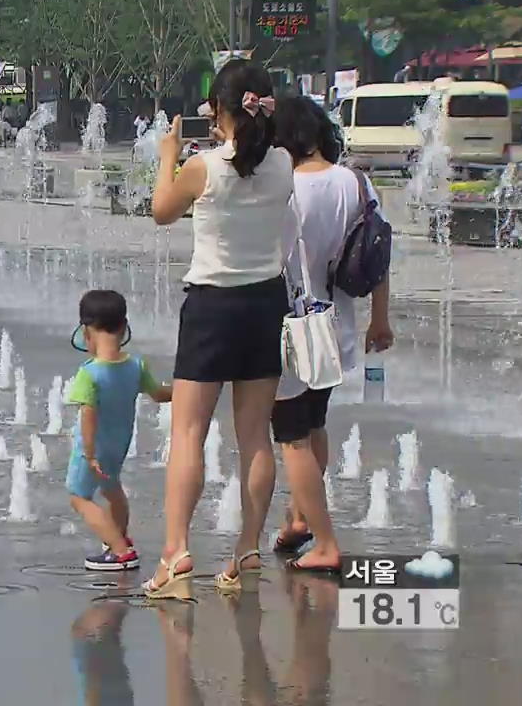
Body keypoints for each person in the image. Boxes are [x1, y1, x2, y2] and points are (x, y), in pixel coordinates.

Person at [143, 59, 296, 599]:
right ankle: (246, 548)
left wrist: (167, 159)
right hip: (263, 304)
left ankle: (176, 553)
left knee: (189, 432)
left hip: (211, 307)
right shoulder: (282, 163)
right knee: (255, 436)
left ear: (223, 110)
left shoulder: (204, 166)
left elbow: (160, 211)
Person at [269, 96, 394, 571]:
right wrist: (380, 319)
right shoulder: (357, 184)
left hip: (290, 327)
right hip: (336, 325)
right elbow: (380, 256)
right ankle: (301, 517)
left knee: (292, 435)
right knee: (314, 424)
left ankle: (324, 542)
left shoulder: (281, 188)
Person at [65, 289, 173, 571]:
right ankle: (120, 537)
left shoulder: (89, 373)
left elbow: (88, 416)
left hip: (95, 449)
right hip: (119, 445)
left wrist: (89, 455)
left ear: (86, 331)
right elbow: (160, 395)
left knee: (79, 496)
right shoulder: (135, 366)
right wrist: (187, 389)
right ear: (124, 327)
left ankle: (120, 550)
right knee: (113, 491)